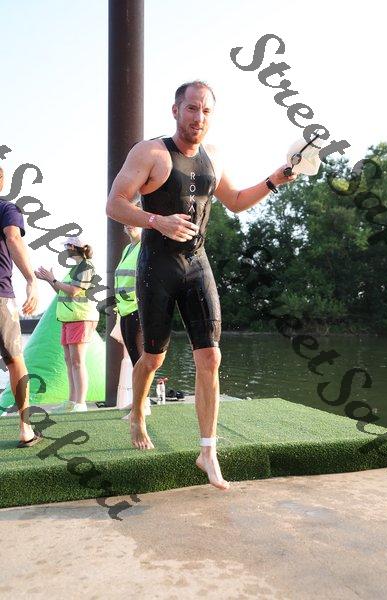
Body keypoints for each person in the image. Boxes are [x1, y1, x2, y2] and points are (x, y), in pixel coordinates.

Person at [106, 80, 297, 490]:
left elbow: (236, 201)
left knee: (210, 356)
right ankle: (137, 413)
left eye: (206, 111)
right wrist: (157, 221)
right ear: (176, 110)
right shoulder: (150, 152)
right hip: (157, 267)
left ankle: (207, 451)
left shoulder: (214, 156)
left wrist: (273, 181)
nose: (199, 117)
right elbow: (115, 203)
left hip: (197, 264)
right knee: (153, 358)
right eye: (192, 108)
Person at [0, 165, 42, 447]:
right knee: (15, 359)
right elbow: (13, 237)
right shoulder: (7, 208)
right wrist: (31, 279)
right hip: (1, 297)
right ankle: (25, 429)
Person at [35, 236, 99, 412]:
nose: (64, 249)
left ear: (72, 247)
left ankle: (80, 403)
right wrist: (50, 280)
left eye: (66, 246)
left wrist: (54, 280)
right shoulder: (76, 268)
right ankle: (72, 401)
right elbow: (62, 291)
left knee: (77, 362)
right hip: (69, 318)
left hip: (81, 317)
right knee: (70, 361)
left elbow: (74, 291)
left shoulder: (86, 266)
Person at [114, 225, 143, 368]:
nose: (129, 224)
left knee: (142, 360)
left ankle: (148, 384)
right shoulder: (127, 249)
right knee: (134, 359)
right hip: (125, 310)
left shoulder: (145, 246)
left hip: (138, 309)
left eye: (134, 221)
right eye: (126, 222)